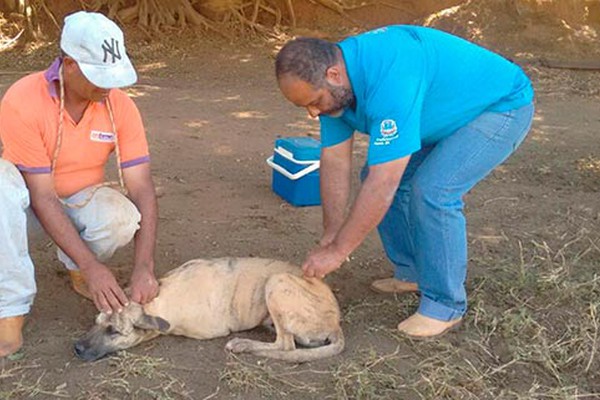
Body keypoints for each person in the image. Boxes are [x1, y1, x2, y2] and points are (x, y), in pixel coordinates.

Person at [275, 25, 534, 338]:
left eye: (314, 101)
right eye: (304, 107)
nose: (312, 113)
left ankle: (445, 305)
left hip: (499, 107)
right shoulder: (337, 88)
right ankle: (413, 273)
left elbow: (384, 184)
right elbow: (334, 160)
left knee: (434, 190)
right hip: (437, 113)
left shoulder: (391, 77)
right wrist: (331, 233)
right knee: (375, 174)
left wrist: (339, 250)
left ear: (333, 74)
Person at [0, 11, 159, 357]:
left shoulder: (119, 106)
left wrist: (143, 265)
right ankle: (9, 310)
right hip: (25, 208)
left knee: (122, 216)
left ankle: (77, 271)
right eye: (98, 76)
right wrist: (95, 266)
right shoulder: (22, 100)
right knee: (0, 187)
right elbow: (42, 196)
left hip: (77, 201)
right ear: (69, 65)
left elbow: (142, 186)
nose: (108, 85)